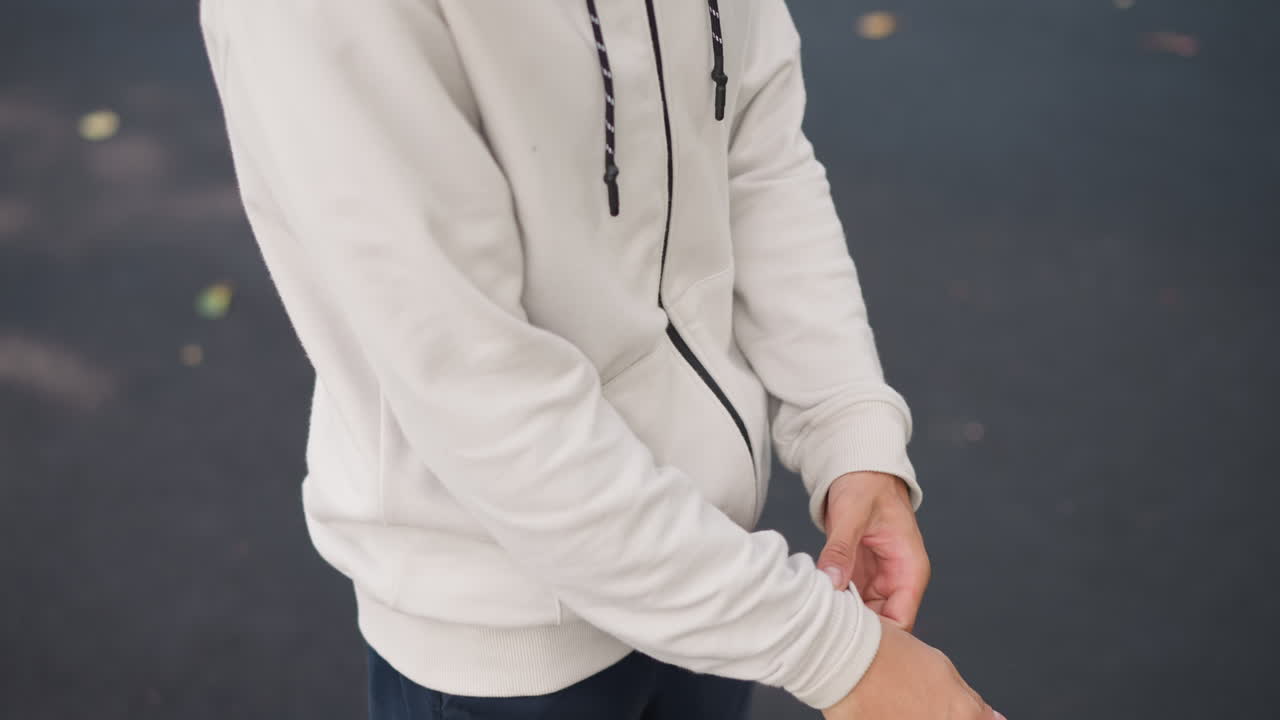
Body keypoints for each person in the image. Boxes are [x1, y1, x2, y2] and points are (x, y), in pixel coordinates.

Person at [198, 1, 1002, 718]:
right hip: (509, 638)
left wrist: (848, 431)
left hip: (717, 574)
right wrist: (835, 655)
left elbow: (754, 150)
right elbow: (478, 388)